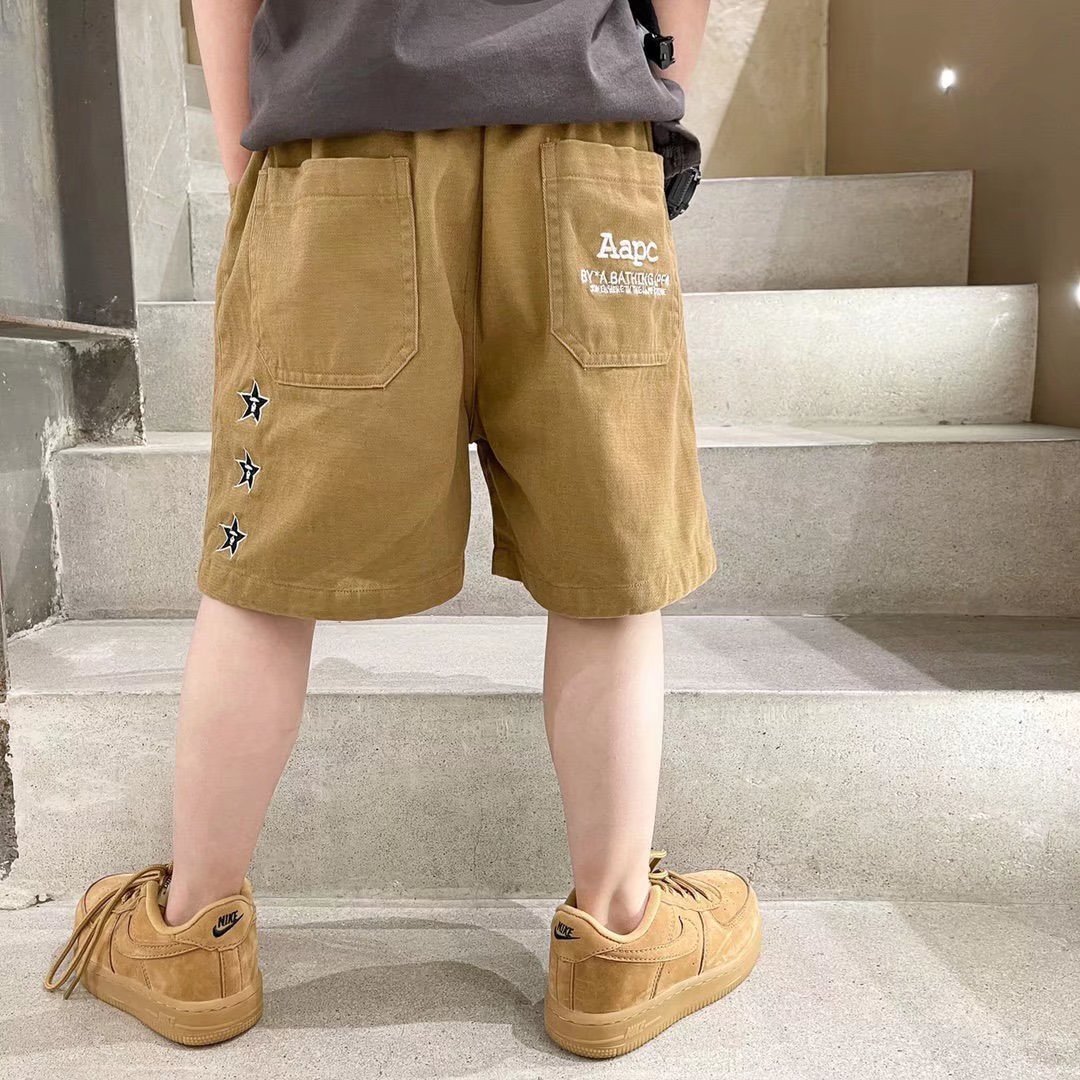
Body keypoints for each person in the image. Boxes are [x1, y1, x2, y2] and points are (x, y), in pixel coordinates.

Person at [44, 0, 760, 1058]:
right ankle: (617, 943)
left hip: (339, 151)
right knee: (607, 566)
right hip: (584, 154)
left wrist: (255, 167)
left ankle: (190, 938)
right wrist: (650, 105)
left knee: (264, 573)